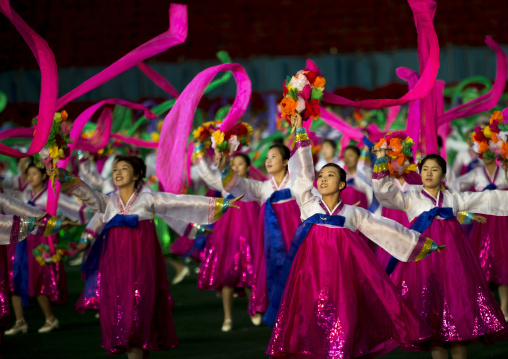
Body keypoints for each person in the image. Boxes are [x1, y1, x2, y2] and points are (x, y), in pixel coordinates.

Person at [266, 114, 444, 358]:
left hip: (344, 281)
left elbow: (386, 228)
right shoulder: (308, 204)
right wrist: (299, 132)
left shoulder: (353, 213)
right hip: (311, 277)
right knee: (311, 326)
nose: (323, 179)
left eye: (330, 176)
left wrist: (421, 244)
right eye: (322, 176)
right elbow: (302, 172)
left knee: (345, 326)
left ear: (342, 185)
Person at [49, 156, 242, 359]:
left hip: (143, 261)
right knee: (120, 308)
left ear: (137, 174)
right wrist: (63, 176)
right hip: (116, 263)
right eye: (115, 169)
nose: (118, 173)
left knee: (138, 308)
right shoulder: (108, 201)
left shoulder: (148, 197)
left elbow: (182, 202)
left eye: (124, 169)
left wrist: (221, 204)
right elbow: (87, 195)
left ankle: (137, 348)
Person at [372, 149, 508, 359]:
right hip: (423, 264)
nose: (428, 173)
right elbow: (387, 193)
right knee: (432, 320)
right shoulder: (411, 197)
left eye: (434, 169)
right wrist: (381, 160)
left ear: (443, 175)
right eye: (425, 169)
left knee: (456, 316)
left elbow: (488, 198)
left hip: (454, 263)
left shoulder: (453, 197)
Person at [4, 162, 93, 335]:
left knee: (38, 279)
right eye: (28, 174)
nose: (30, 178)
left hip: (41, 240)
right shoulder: (24, 194)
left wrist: (93, 211)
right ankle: (20, 321)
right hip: (21, 241)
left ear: (44, 176)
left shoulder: (51, 195)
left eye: (34, 174)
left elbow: (73, 207)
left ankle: (50, 318)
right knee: (15, 278)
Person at [216, 143, 301, 321]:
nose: (268, 161)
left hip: (296, 241)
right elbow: (241, 186)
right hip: (272, 243)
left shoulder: (297, 184)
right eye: (267, 157)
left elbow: (313, 204)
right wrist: (224, 167)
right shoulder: (262, 188)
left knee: (298, 276)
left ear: (286, 161)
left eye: (274, 157)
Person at [194, 146, 261, 331]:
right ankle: (228, 318)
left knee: (249, 272)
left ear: (248, 167)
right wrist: (199, 151)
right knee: (227, 274)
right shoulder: (224, 183)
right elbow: (207, 175)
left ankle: (253, 309)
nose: (237, 167)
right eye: (234, 164)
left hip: (250, 234)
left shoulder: (253, 186)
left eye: (241, 164)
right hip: (228, 235)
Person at [451, 155, 508, 320]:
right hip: (482, 222)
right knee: (483, 264)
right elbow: (455, 185)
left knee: (504, 262)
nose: (487, 154)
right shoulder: (477, 173)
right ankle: (488, 310)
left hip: (503, 220)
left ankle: (504, 308)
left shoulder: (504, 170)